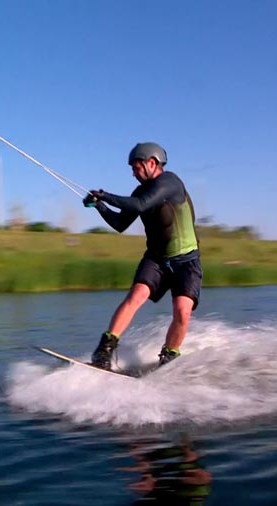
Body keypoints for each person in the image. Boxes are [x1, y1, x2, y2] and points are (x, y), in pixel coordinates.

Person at [83, 142, 202, 370]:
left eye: (136, 167)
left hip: (186, 261)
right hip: (157, 259)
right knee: (135, 296)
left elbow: (140, 205)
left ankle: (168, 359)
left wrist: (106, 195)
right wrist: (99, 206)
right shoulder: (139, 192)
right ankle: (104, 352)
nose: (133, 173)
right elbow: (120, 223)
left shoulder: (170, 182)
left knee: (182, 311)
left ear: (152, 163)